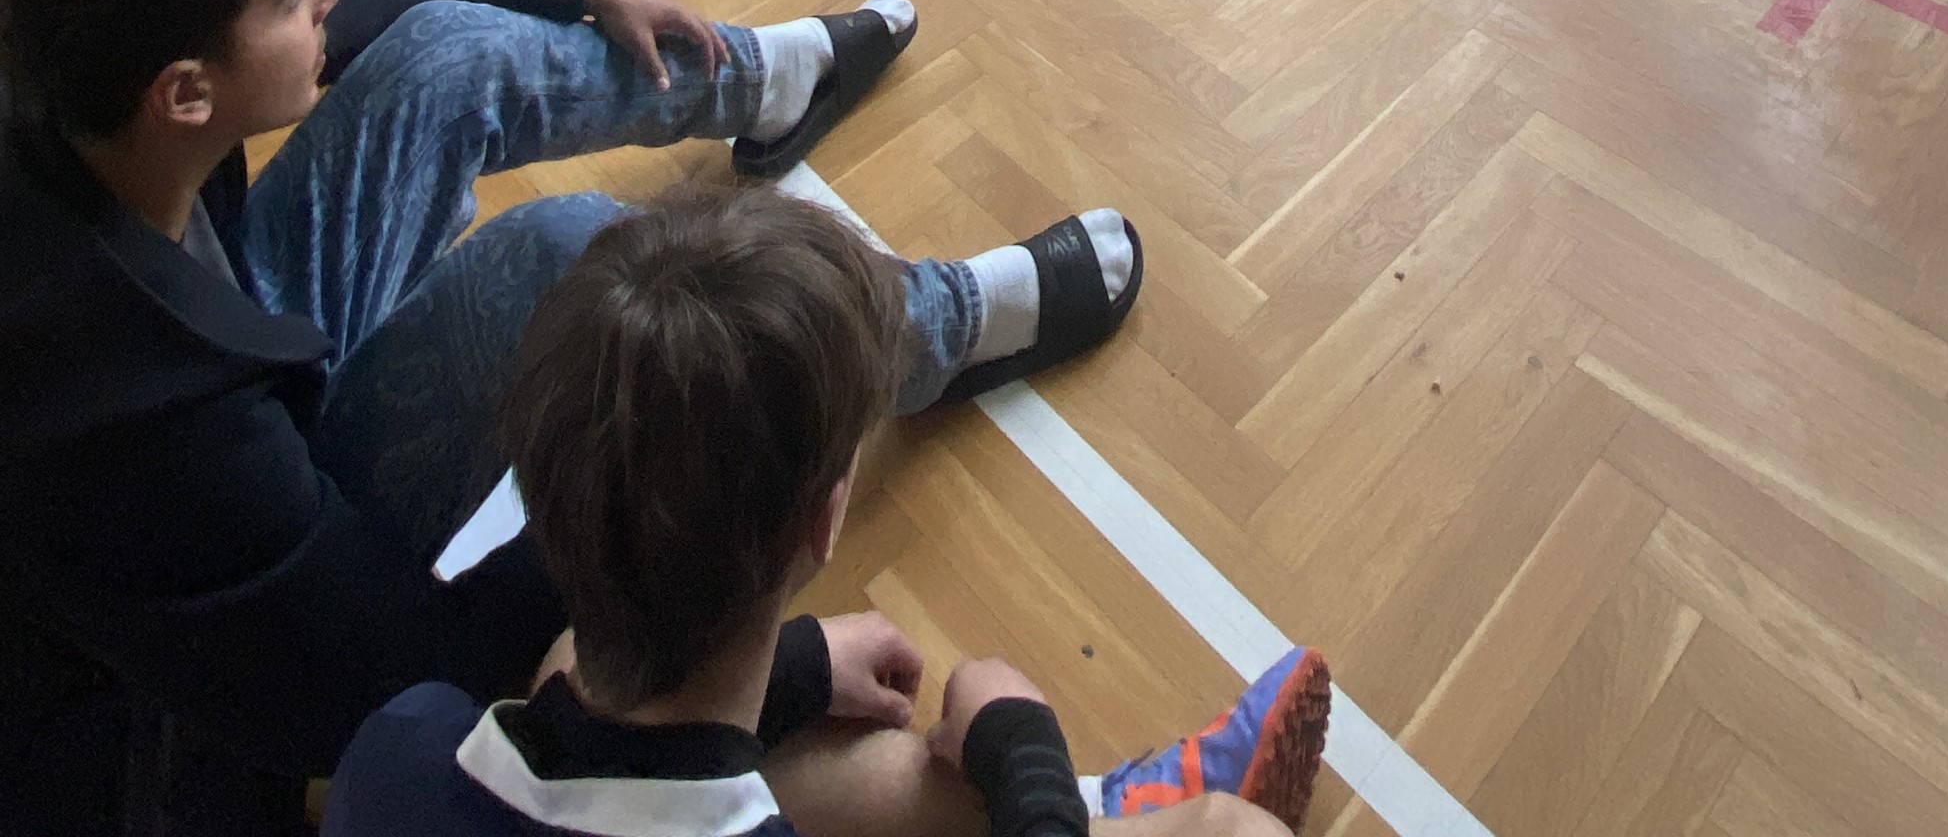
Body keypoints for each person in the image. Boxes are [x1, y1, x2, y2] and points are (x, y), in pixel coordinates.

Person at [0, 0, 1145, 836]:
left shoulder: (73, 93)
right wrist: (777, 663)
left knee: (442, 54)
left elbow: (360, 19)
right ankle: (922, 333)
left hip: (234, 376)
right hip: (233, 681)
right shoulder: (154, 437)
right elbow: (391, 676)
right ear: (185, 94)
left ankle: (767, 82)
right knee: (585, 260)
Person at [327, 185, 1321, 837]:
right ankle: (1121, 808)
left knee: (578, 683)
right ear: (826, 519)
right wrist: (1026, 760)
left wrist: (795, 669)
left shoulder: (399, 748)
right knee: (1236, 832)